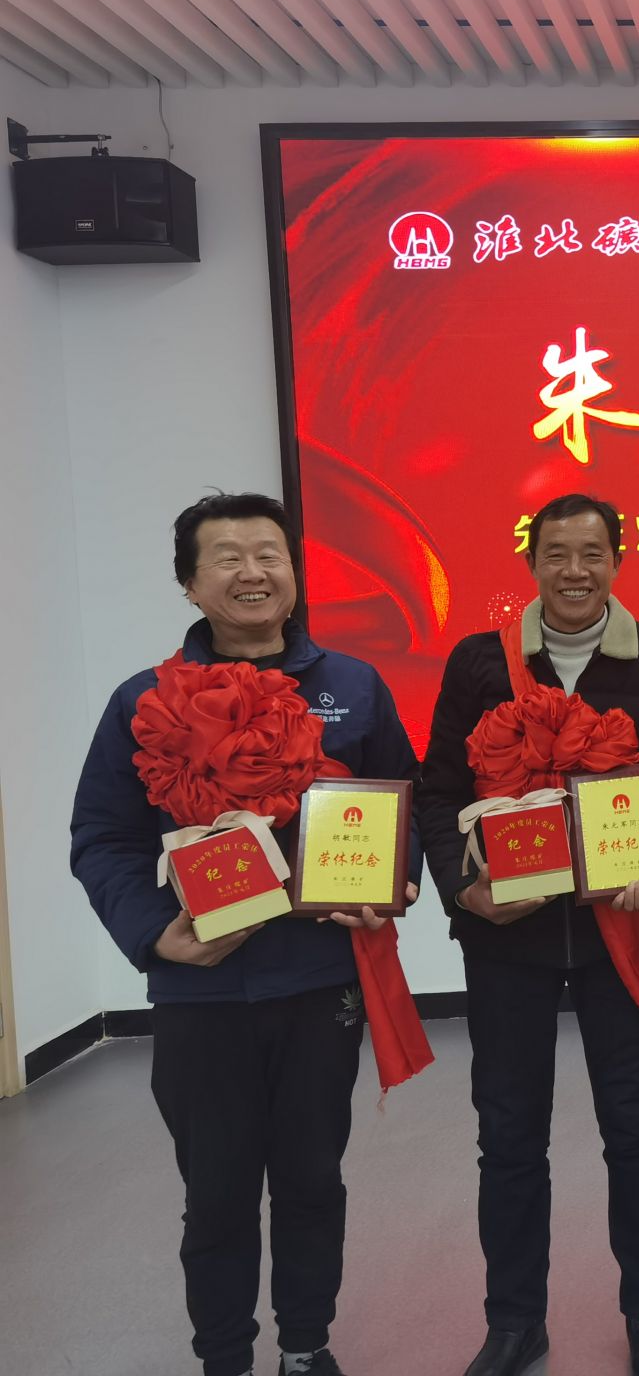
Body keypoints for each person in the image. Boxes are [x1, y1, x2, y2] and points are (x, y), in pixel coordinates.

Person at [71, 492, 422, 1376]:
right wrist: (157, 936)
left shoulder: (352, 686)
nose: (253, 572)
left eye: (269, 554)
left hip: (318, 979)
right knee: (217, 1192)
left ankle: (307, 1346)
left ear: (294, 573)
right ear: (190, 585)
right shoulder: (142, 701)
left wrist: (396, 881)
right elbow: (102, 838)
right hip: (202, 992)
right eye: (226, 557)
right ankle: (223, 1356)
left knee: (312, 1180)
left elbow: (402, 803)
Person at [417, 493, 639, 1376]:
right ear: (532, 562)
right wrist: (464, 889)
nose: (575, 571)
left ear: (618, 560)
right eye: (557, 554)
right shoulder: (480, 662)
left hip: (621, 930)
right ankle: (514, 1321)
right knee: (509, 1134)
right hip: (508, 938)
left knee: (635, 1124)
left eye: (592, 554)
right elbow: (439, 791)